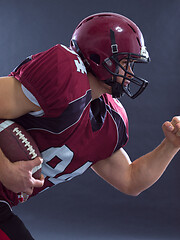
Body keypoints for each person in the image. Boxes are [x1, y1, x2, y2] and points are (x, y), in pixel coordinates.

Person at [0, 12, 180, 239]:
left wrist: (171, 145)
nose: (131, 73)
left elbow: (131, 180)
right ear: (99, 57)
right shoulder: (63, 75)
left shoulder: (109, 121)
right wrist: (3, 168)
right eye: (126, 62)